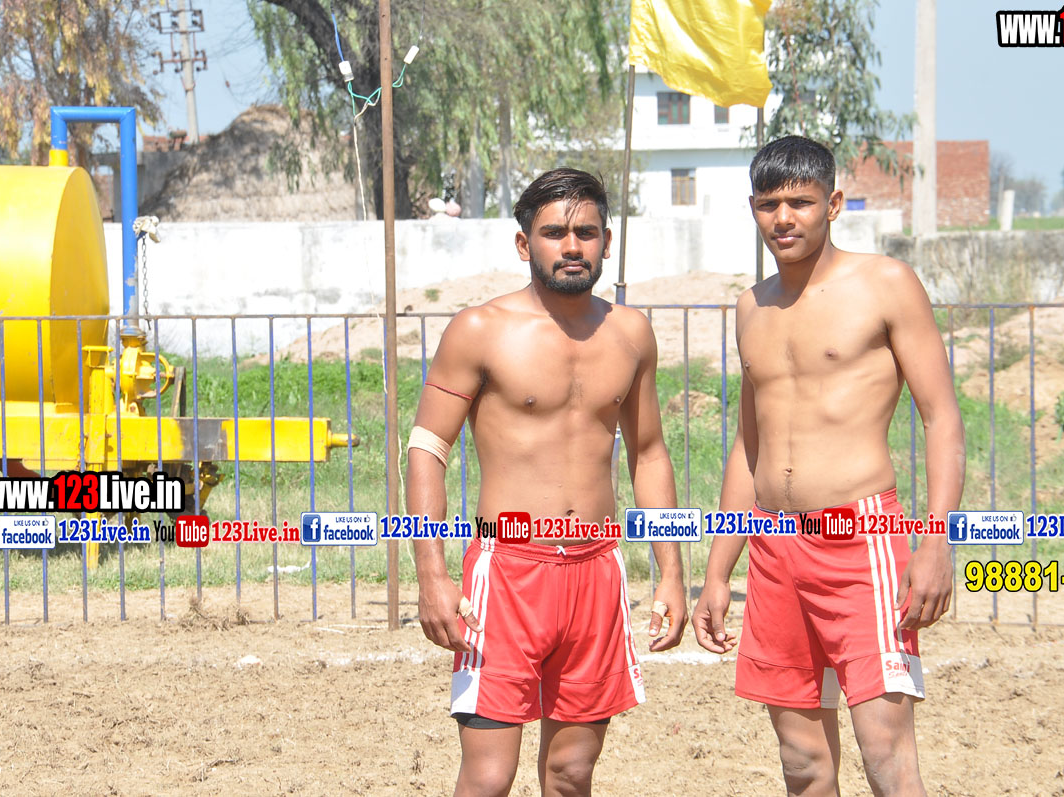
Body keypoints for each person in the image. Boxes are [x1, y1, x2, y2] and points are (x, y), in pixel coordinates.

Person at [692, 136, 965, 796]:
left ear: (834, 204)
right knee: (802, 759)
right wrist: (718, 571)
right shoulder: (750, 306)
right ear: (753, 210)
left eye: (801, 202)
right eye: (769, 205)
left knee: (885, 751)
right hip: (773, 547)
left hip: (860, 540)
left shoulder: (885, 284)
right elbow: (748, 446)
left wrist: (935, 540)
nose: (783, 218)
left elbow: (942, 418)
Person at [408, 168, 687, 797]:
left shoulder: (631, 333)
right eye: (555, 232)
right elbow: (427, 448)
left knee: (571, 772)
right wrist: (432, 573)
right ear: (523, 243)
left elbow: (648, 453)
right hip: (507, 572)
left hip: (596, 569)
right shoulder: (480, 329)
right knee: (489, 776)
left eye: (585, 232)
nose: (571, 246)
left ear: (606, 242)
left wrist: (670, 570)